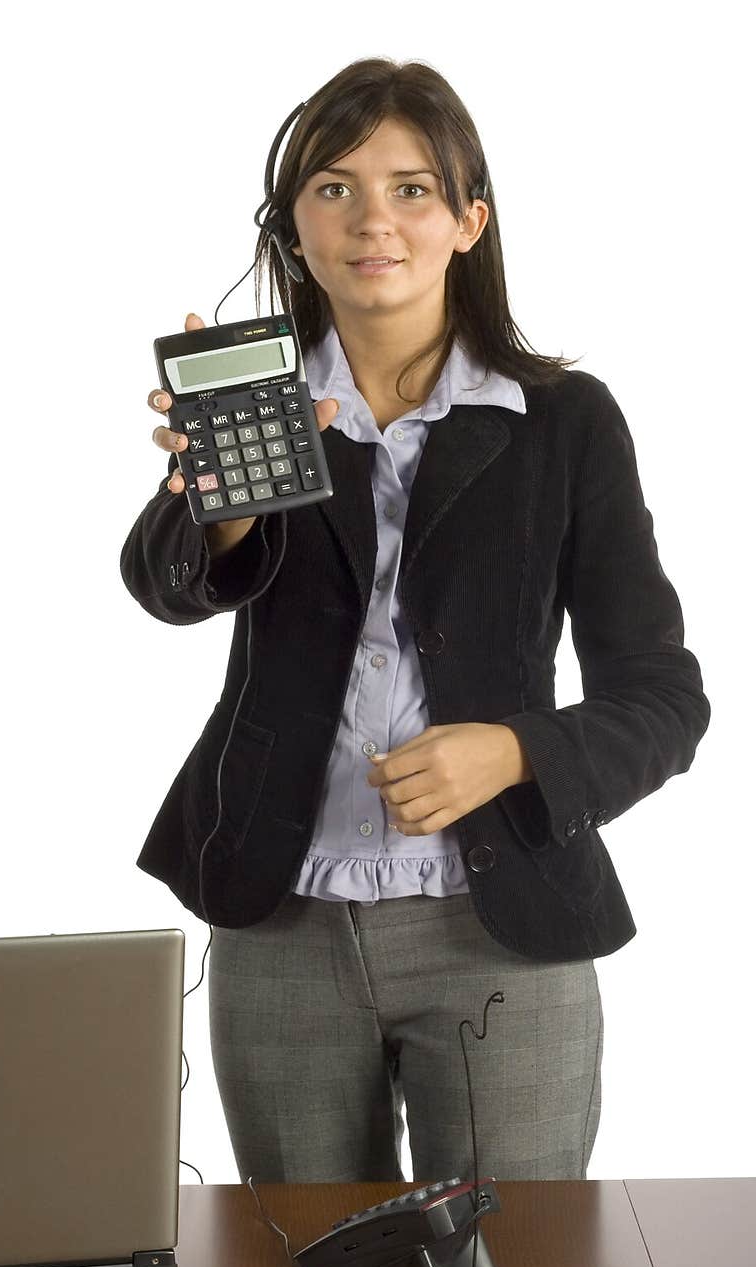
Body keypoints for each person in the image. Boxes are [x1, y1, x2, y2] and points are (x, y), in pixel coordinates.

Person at [120, 58, 710, 1185]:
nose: (370, 220)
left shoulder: (564, 423)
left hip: (500, 929)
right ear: (292, 228)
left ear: (467, 221)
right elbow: (162, 587)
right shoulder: (261, 402)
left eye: (410, 189)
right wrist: (222, 509)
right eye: (332, 189)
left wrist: (515, 750)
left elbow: (665, 697)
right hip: (279, 915)